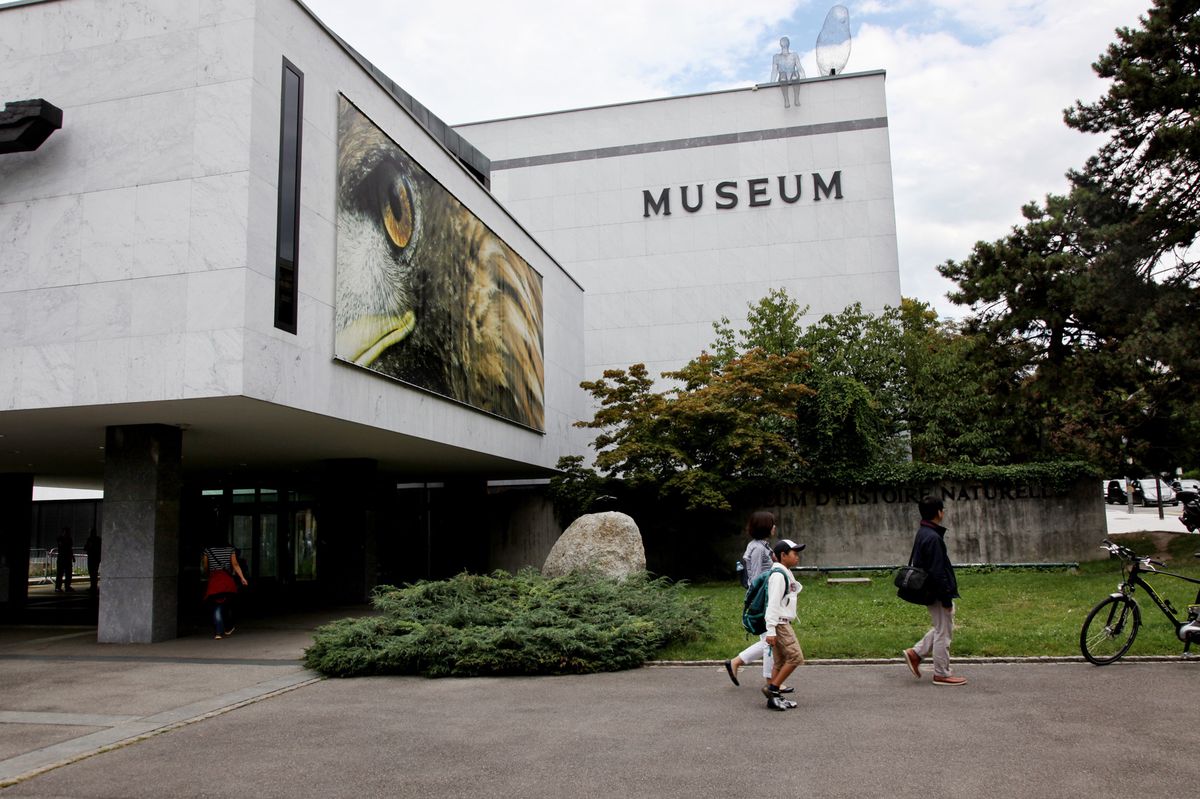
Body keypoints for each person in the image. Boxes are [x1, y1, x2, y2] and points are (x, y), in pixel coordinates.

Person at [901, 496, 967, 686]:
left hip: (930, 590)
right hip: (936, 591)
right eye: (942, 509)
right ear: (938, 512)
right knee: (943, 634)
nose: (943, 512)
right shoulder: (932, 537)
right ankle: (942, 674)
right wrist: (946, 598)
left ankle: (915, 653)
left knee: (941, 628)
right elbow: (938, 571)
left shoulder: (924, 532)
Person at [724, 510, 780, 688]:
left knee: (769, 640)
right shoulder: (757, 548)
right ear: (765, 526)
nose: (774, 527)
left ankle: (736, 663)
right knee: (769, 641)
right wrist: (762, 602)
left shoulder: (761, 546)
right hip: (762, 600)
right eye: (772, 523)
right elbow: (756, 578)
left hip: (766, 597)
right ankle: (771, 683)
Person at [763, 538, 806, 710]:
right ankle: (773, 690)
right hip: (779, 624)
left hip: (780, 622)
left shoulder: (784, 572)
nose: (797, 557)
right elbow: (772, 604)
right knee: (796, 657)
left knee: (780, 662)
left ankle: (775, 697)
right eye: (794, 553)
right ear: (783, 555)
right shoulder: (779, 576)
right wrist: (771, 630)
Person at [202, 543, 248, 640]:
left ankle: (223, 629)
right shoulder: (230, 549)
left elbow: (206, 566)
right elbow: (235, 564)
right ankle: (224, 629)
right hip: (226, 580)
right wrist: (242, 578)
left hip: (214, 581)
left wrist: (208, 575)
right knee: (224, 605)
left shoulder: (208, 550)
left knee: (217, 606)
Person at [770, 36, 805, 108]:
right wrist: (771, 84)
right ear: (780, 44)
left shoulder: (794, 55)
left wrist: (804, 79)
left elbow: (799, 68)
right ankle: (786, 100)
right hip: (783, 77)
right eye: (782, 42)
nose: (784, 43)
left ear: (788, 44)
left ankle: (796, 98)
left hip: (792, 76)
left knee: (795, 74)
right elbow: (774, 71)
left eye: (785, 41)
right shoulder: (776, 57)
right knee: (782, 76)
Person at [54, 528, 75, 592]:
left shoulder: (69, 539)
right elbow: (62, 546)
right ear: (63, 532)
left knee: (68, 573)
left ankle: (67, 586)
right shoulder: (60, 538)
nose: (68, 534)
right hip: (61, 558)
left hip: (67, 558)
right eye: (67, 532)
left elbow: (70, 549)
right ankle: (58, 587)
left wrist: (73, 557)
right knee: (60, 573)